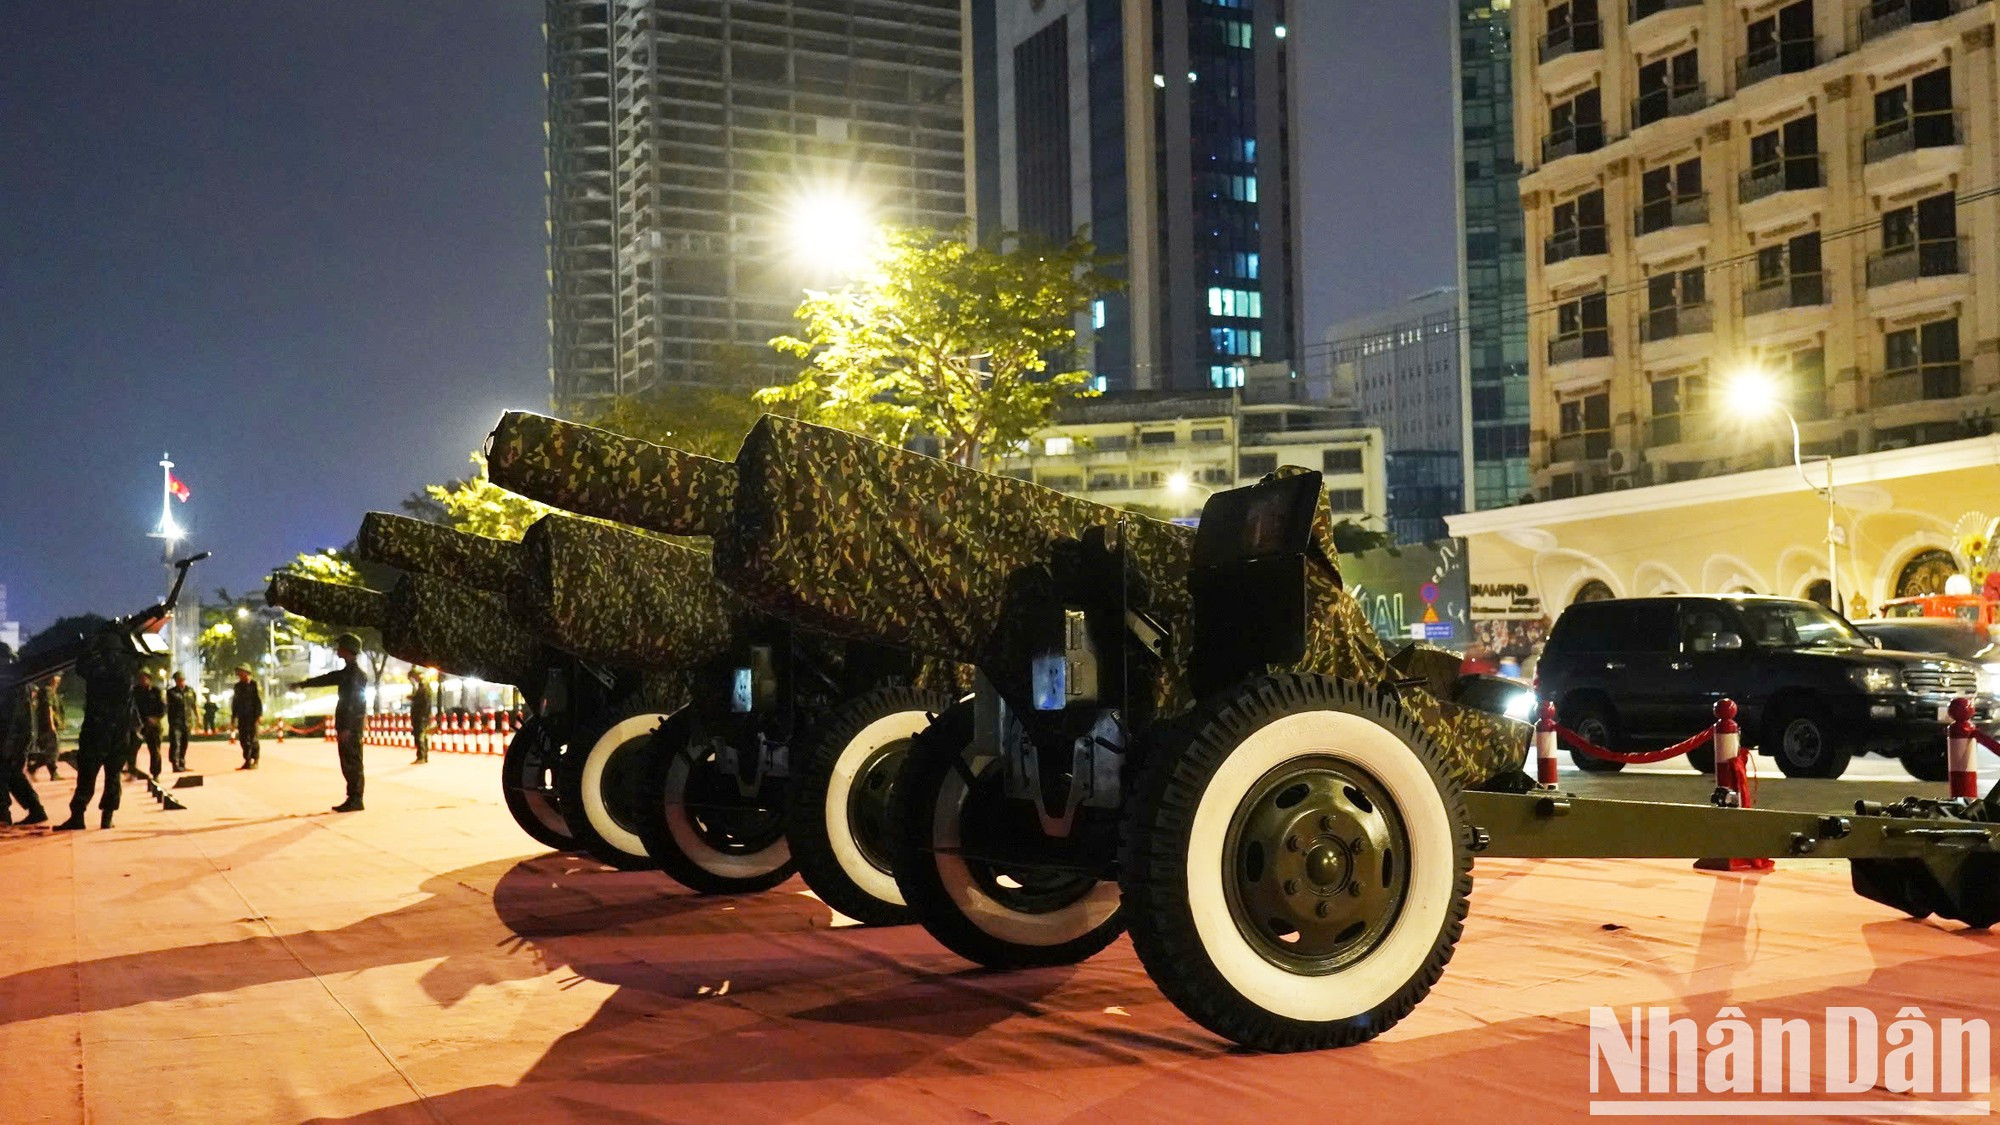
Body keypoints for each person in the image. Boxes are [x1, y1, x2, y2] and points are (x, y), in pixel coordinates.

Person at [56, 630, 141, 831]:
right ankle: (107, 818)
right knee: (113, 777)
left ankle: (78, 816)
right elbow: (138, 655)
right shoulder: (128, 668)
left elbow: (80, 666)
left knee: (86, 776)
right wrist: (127, 635)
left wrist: (88, 645)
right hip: (119, 733)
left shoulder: (97, 667)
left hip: (96, 730)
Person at [294, 635, 368, 812]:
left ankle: (356, 799)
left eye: (340, 647)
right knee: (347, 760)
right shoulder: (348, 672)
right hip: (347, 724)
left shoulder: (355, 675)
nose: (337, 650)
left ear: (348, 649)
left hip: (350, 725)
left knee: (352, 761)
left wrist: (348, 727)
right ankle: (353, 797)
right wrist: (303, 684)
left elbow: (354, 702)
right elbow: (326, 679)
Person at [0, 644, 51, 827]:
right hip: (19, 735)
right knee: (13, 774)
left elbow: (11, 713)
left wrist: (6, 742)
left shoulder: (7, 680)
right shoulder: (19, 679)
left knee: (4, 772)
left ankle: (3, 814)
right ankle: (36, 810)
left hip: (9, 736)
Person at [132, 670, 167, 779]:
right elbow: (131, 707)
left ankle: (155, 773)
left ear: (150, 679)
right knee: (131, 748)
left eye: (145, 678)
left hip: (153, 724)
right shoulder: (135, 691)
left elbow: (163, 707)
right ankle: (132, 770)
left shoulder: (156, 691)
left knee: (155, 750)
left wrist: (155, 718)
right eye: (141, 678)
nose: (143, 680)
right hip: (138, 724)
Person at [28, 675, 63, 781]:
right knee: (53, 751)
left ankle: (36, 767)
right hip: (47, 726)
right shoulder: (48, 691)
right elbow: (49, 708)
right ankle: (49, 771)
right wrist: (51, 724)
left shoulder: (51, 691)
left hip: (48, 725)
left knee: (50, 751)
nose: (58, 680)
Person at [231, 666, 263, 770]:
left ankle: (255, 759)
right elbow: (235, 702)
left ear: (247, 672)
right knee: (243, 739)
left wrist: (259, 715)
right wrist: (233, 716)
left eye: (241, 672)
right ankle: (247, 760)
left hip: (252, 716)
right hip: (242, 716)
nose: (239, 675)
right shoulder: (238, 686)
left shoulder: (255, 685)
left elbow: (259, 701)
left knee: (253, 739)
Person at [165, 671, 197, 772]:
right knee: (175, 743)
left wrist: (197, 717)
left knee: (184, 743)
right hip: (175, 722)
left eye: (182, 680)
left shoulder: (190, 691)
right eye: (178, 680)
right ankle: (175, 764)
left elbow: (194, 705)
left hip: (187, 721)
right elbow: (167, 706)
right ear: (175, 681)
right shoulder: (171, 693)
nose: (181, 682)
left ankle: (182, 763)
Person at [408, 669, 433, 765]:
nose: (412, 680)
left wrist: (413, 698)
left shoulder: (423, 686)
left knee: (419, 735)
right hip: (423, 715)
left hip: (421, 715)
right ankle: (424, 756)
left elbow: (422, 701)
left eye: (412, 678)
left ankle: (421, 756)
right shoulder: (424, 685)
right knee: (423, 735)